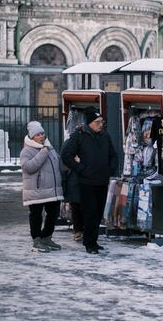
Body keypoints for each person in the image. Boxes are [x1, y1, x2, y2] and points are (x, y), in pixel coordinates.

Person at [61, 107, 118, 254]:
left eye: (101, 121)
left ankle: (94, 240)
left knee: (98, 213)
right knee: (90, 213)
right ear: (90, 123)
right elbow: (66, 155)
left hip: (102, 181)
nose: (101, 124)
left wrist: (110, 169)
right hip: (86, 182)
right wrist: (81, 169)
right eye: (98, 122)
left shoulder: (105, 136)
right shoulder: (79, 135)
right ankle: (89, 243)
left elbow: (113, 155)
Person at [20, 121, 64, 253]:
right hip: (36, 190)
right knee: (36, 215)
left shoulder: (49, 147)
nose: (41, 137)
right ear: (32, 136)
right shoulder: (26, 150)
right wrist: (43, 152)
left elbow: (58, 163)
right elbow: (28, 167)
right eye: (38, 134)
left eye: (43, 134)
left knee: (54, 213)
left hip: (52, 190)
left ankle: (46, 238)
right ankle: (37, 241)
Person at [60, 137, 84, 242]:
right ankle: (78, 230)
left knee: (79, 206)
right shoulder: (70, 142)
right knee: (76, 205)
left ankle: (79, 230)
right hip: (74, 178)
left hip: (79, 178)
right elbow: (64, 160)